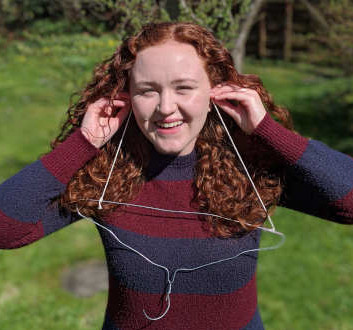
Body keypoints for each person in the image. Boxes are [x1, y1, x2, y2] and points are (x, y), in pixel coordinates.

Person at [0, 21, 352, 330]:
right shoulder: (112, 172)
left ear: (215, 91)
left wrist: (267, 131)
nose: (166, 108)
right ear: (127, 96)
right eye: (148, 90)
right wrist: (84, 143)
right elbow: (6, 226)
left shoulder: (250, 168)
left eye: (184, 87)